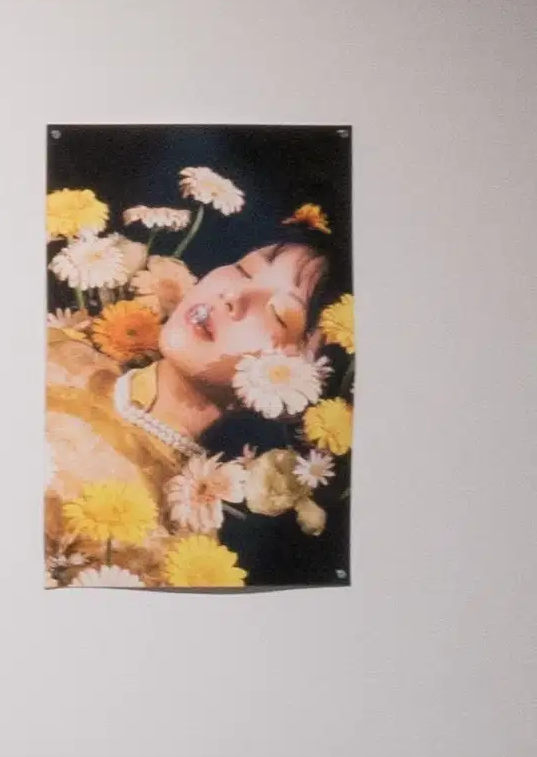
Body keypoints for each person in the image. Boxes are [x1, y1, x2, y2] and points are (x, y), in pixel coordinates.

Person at [43, 197, 334, 585]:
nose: (234, 296)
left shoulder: (175, 546)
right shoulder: (59, 350)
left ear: (296, 385)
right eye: (243, 269)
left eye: (278, 314)